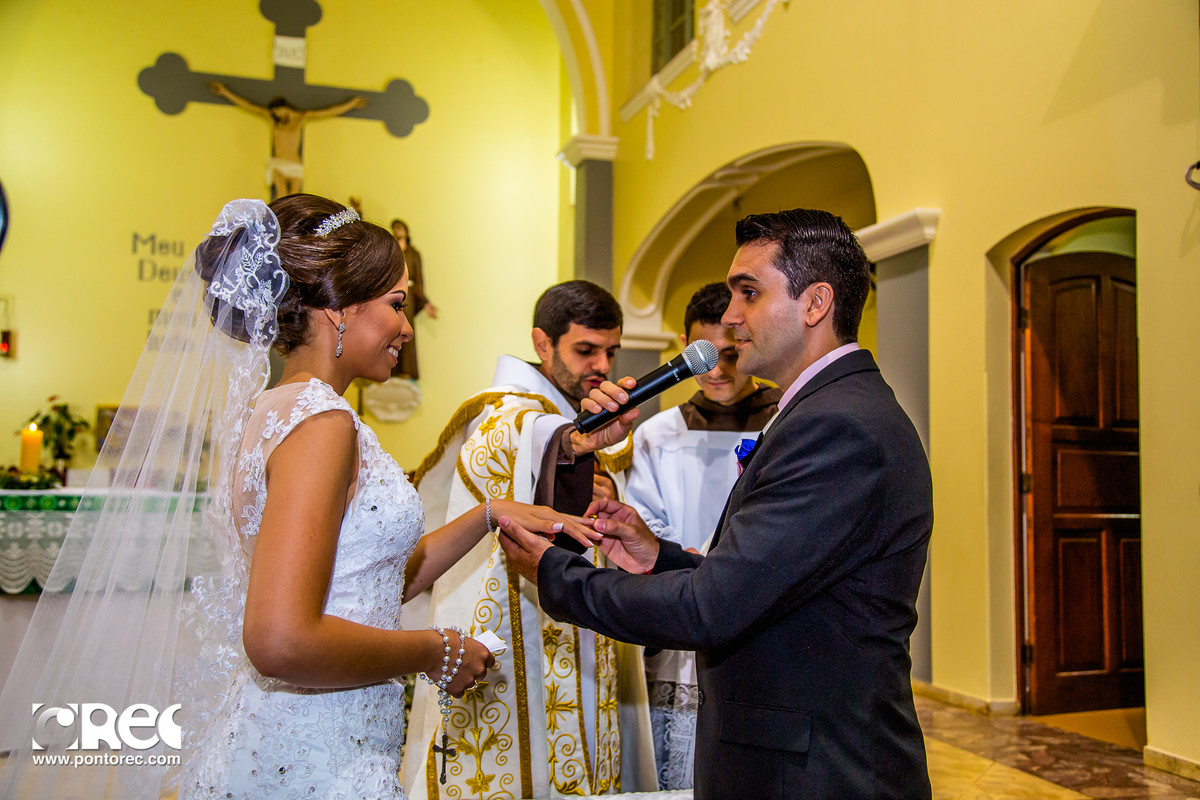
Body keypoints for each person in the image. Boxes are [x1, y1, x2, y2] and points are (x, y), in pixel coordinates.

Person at [0, 195, 595, 799]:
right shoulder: (321, 425)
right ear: (338, 309)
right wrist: (436, 650)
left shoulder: (274, 410)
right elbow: (280, 640)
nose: (408, 328)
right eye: (396, 304)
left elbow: (368, 582)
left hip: (302, 739)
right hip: (312, 759)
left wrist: (486, 516)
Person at [499, 209, 935, 799]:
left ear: (815, 304)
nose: (729, 318)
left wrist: (558, 574)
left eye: (748, 293)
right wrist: (658, 557)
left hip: (818, 771)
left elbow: (712, 609)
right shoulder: (826, 410)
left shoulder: (838, 426)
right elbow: (767, 583)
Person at [406, 280, 655, 798]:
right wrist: (577, 446)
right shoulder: (505, 413)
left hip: (585, 629)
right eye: (585, 350)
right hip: (516, 645)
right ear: (543, 344)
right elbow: (536, 436)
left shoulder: (571, 409)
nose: (602, 365)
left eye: (611, 351)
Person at [623, 281, 781, 790]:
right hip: (681, 607)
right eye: (703, 356)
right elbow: (641, 515)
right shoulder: (657, 432)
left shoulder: (783, 424)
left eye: (730, 355)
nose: (716, 370)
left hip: (758, 609)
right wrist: (680, 556)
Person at [209, 82, 367, 198]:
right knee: (281, 196)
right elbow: (248, 105)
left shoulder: (301, 118)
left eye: (278, 111)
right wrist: (224, 92)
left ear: (284, 107)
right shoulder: (272, 119)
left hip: (294, 164)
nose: (277, 115)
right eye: (275, 113)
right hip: (278, 163)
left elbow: (328, 112)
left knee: (294, 197)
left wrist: (350, 104)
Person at [389, 218, 438, 379]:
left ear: (406, 230)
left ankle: (406, 370)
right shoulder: (391, 250)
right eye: (395, 229)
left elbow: (418, 281)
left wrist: (425, 302)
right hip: (392, 294)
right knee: (390, 329)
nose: (398, 231)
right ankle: (391, 367)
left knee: (405, 331)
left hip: (408, 294)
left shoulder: (414, 254)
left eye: (400, 228)